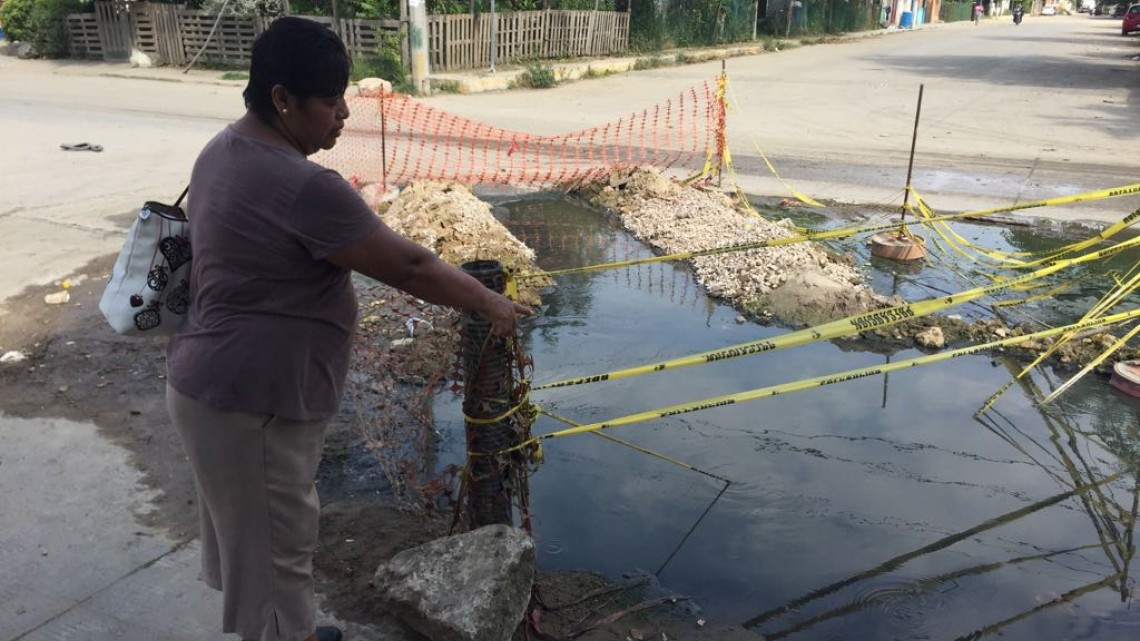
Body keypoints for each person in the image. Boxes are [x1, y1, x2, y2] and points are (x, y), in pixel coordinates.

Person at [165, 17, 530, 641]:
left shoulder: (225, 148)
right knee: (277, 552)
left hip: (213, 385)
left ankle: (291, 630)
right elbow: (410, 265)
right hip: (255, 401)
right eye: (331, 102)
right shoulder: (305, 185)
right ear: (283, 98)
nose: (343, 116)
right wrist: (489, 303)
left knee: (260, 544)